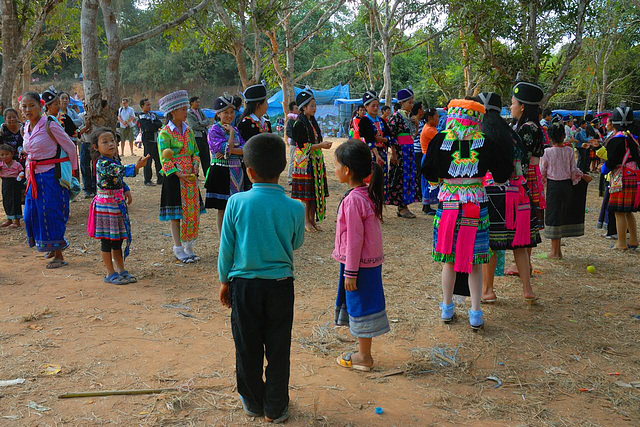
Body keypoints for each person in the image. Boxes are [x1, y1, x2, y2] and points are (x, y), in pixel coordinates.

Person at [218, 133, 304, 424]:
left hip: (243, 286)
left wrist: (223, 280)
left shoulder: (236, 202)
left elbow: (226, 247)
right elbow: (297, 242)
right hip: (281, 286)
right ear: (282, 167)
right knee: (279, 347)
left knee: (247, 345)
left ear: (248, 170)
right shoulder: (295, 207)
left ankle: (253, 402)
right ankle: (276, 407)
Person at [422, 99, 512, 330]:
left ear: (452, 115)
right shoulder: (485, 142)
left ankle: (446, 307)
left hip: (449, 203)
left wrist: (442, 177)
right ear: (477, 118)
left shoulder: (441, 139)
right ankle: (475, 313)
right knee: (474, 261)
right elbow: (502, 173)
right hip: (475, 202)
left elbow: (428, 170)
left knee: (449, 260)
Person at [477, 92, 539, 304]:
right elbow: (524, 163)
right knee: (520, 244)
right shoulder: (513, 134)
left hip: (491, 195)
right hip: (518, 195)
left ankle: (488, 290)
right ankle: (527, 290)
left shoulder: (480, 135)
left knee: (490, 245)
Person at [333, 139, 389, 372]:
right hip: (366, 264)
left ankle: (364, 357)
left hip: (357, 266)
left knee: (362, 306)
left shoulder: (354, 200)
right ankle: (362, 352)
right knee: (361, 305)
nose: (335, 169)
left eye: (336, 165)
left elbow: (355, 240)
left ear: (347, 170)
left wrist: (351, 272)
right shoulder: (365, 194)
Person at [21, 91, 78, 268]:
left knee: (51, 213)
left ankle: (59, 254)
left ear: (41, 105)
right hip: (34, 177)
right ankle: (49, 246)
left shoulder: (50, 125)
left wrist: (72, 174)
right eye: (24, 106)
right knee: (31, 213)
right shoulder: (26, 127)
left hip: (51, 176)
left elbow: (70, 147)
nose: (28, 109)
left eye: (32, 105)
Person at [87, 127, 149, 284]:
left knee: (117, 239)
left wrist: (126, 189)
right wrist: (135, 167)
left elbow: (117, 178)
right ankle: (110, 272)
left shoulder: (113, 160)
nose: (111, 144)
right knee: (107, 240)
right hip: (106, 206)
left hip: (115, 205)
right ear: (96, 147)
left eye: (113, 140)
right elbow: (117, 171)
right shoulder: (102, 163)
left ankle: (121, 270)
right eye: (105, 142)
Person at [157, 90, 205, 263]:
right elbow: (164, 158)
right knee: (176, 214)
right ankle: (178, 247)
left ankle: (189, 245)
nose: (186, 112)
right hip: (175, 177)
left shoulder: (189, 131)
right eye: (183, 109)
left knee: (192, 212)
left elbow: (195, 151)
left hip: (190, 176)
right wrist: (179, 173)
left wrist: (195, 166)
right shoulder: (164, 133)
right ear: (173, 112)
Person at [507, 81, 546, 277]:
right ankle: (524, 264)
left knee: (524, 219)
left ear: (522, 106)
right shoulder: (531, 126)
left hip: (526, 176)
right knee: (527, 219)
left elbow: (520, 157)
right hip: (533, 174)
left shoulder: (527, 128)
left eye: (513, 103)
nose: (511, 107)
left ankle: (522, 264)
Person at [540, 123, 592, 259]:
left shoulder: (547, 152)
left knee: (554, 216)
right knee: (562, 215)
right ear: (564, 136)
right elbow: (573, 171)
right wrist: (583, 176)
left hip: (553, 188)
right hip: (567, 186)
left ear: (549, 137)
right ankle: (558, 251)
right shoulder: (569, 151)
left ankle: (554, 251)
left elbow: (542, 172)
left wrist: (542, 184)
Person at [206, 94, 249, 233]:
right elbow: (226, 149)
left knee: (236, 207)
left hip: (237, 171)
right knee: (223, 208)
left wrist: (230, 150)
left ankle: (235, 236)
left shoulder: (235, 129)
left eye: (231, 112)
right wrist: (230, 136)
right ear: (218, 114)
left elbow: (245, 149)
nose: (230, 116)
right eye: (226, 113)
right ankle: (223, 239)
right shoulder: (214, 130)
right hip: (221, 172)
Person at [291, 87, 331, 232]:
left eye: (315, 105)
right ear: (304, 108)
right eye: (311, 106)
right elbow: (302, 145)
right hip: (305, 162)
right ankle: (306, 222)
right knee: (307, 194)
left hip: (316, 161)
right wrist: (320, 145)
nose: (314, 108)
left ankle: (312, 220)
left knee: (315, 192)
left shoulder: (312, 122)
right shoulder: (299, 123)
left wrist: (320, 145)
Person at [602, 105, 640, 251]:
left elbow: (611, 162)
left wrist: (604, 169)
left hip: (621, 177)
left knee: (619, 212)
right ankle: (634, 240)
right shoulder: (633, 139)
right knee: (628, 211)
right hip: (633, 176)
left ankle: (622, 243)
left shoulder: (615, 140)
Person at [387, 87, 418, 218]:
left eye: (412, 103)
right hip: (400, 152)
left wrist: (416, 125)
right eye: (409, 103)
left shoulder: (410, 117)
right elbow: (391, 137)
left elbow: (413, 136)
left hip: (409, 151)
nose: (411, 105)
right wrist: (394, 154)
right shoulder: (395, 117)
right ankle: (401, 207)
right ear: (402, 102)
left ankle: (405, 205)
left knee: (409, 178)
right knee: (400, 178)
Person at [358, 90, 391, 201]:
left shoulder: (381, 121)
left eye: (377, 106)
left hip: (382, 153)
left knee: (382, 178)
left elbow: (389, 135)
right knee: (371, 177)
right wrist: (376, 155)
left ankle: (379, 202)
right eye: (373, 106)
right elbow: (369, 139)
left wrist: (384, 139)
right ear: (366, 106)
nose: (376, 108)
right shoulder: (364, 121)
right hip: (370, 154)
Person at [77, 99, 108, 198]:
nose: (87, 106)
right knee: (85, 167)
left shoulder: (99, 117)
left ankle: (96, 188)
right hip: (85, 143)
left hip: (96, 145)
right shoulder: (81, 116)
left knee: (96, 167)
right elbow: (78, 132)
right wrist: (86, 127)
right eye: (85, 105)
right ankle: (87, 189)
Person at [597, 117, 618, 239]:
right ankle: (612, 230)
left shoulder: (616, 138)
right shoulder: (613, 136)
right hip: (608, 172)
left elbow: (611, 156)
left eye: (608, 122)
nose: (606, 124)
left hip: (613, 173)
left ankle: (613, 231)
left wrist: (604, 166)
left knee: (612, 205)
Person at [138, 99, 164, 186]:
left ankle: (160, 179)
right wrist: (154, 124)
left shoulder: (153, 115)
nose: (149, 106)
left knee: (158, 160)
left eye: (150, 104)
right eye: (147, 105)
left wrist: (153, 124)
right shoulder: (141, 117)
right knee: (148, 161)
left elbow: (160, 124)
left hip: (156, 140)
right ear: (142, 106)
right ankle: (147, 180)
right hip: (148, 141)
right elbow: (148, 128)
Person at [419, 107, 439, 215]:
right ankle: (426, 206)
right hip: (428, 157)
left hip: (428, 156)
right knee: (429, 181)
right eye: (436, 117)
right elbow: (440, 140)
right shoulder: (429, 130)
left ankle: (426, 205)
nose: (438, 119)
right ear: (430, 118)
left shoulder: (430, 127)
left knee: (428, 181)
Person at [186, 96, 212, 177]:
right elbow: (193, 126)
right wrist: (203, 125)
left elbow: (208, 121)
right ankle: (195, 176)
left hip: (204, 136)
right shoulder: (188, 113)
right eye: (196, 102)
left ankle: (207, 176)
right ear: (191, 103)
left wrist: (200, 123)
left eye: (198, 102)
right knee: (195, 157)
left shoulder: (200, 112)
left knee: (206, 158)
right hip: (196, 138)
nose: (198, 104)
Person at [0, 144, 25, 228]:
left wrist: (19, 177)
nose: (5, 156)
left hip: (15, 184)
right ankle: (9, 219)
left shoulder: (17, 164)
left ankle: (17, 221)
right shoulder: (1, 165)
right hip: (5, 183)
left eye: (7, 154)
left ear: (12, 154)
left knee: (16, 200)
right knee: (6, 201)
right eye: (2, 155)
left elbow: (22, 172)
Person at [285, 101, 299, 185]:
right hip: (294, 144)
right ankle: (290, 179)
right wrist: (296, 137)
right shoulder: (290, 121)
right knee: (292, 162)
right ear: (292, 111)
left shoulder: (300, 119)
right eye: (296, 108)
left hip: (301, 145)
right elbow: (288, 132)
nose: (298, 110)